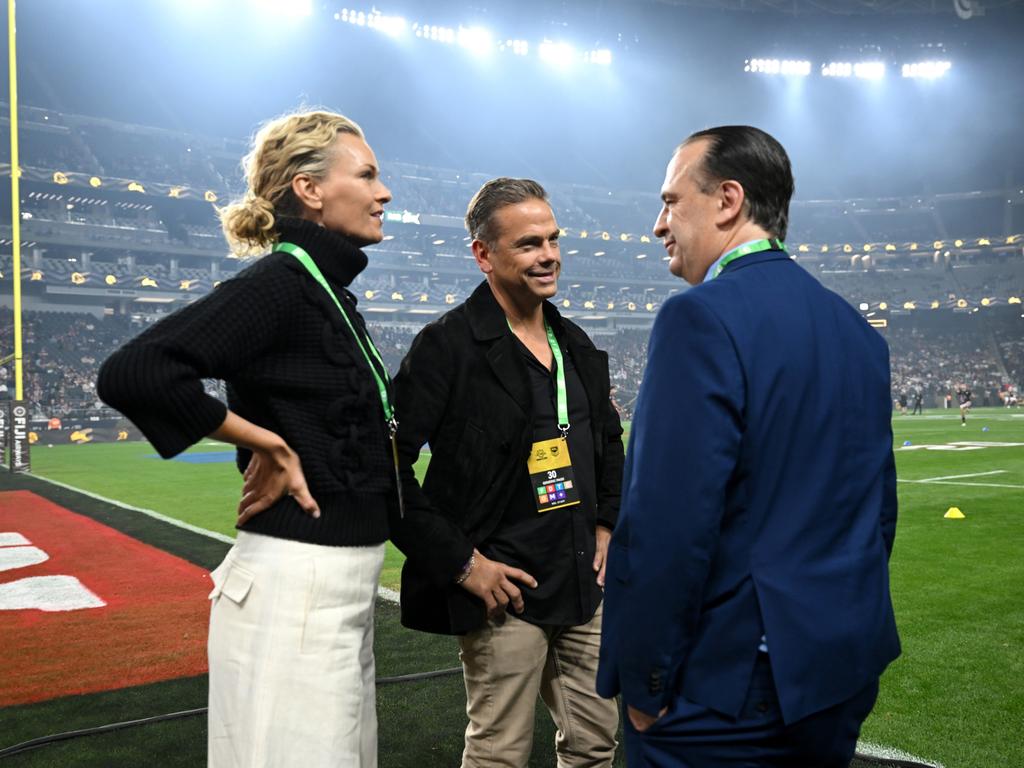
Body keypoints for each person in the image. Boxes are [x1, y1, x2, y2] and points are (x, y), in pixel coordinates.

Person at [98, 109, 396, 768]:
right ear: (309, 189)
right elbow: (134, 371)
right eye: (368, 174)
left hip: (334, 591)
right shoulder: (281, 285)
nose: (384, 191)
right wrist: (263, 441)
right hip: (294, 588)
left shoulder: (326, 294)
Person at [597, 126, 900, 767]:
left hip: (729, 688)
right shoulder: (855, 330)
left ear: (728, 200)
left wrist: (647, 682)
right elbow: (877, 512)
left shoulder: (699, 317)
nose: (659, 223)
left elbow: (666, 522)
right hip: (837, 669)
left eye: (672, 200)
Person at [390, 178, 624, 768]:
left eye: (552, 239)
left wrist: (608, 526)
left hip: (581, 582)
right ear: (483, 253)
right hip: (505, 591)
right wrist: (462, 563)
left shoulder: (575, 344)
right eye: (527, 244)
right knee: (501, 753)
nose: (548, 255)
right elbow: (383, 465)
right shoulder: (446, 347)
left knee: (596, 742)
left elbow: (609, 443)